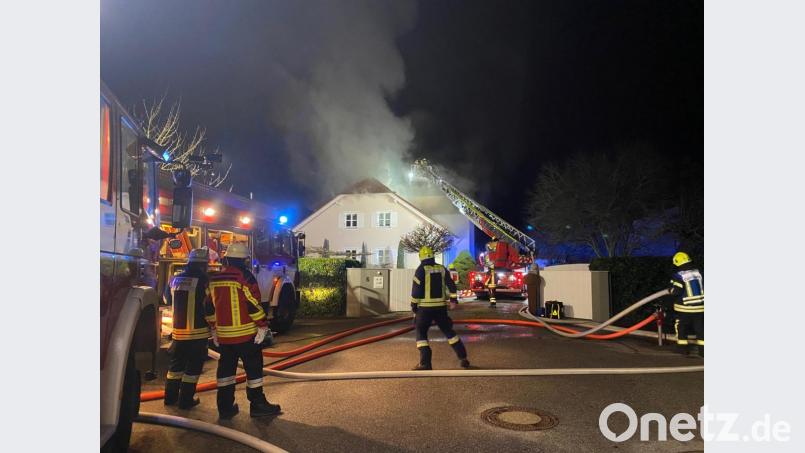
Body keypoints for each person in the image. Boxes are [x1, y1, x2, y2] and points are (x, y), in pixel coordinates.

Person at [204, 242, 281, 418]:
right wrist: (262, 325)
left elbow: (208, 306)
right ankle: (257, 405)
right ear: (245, 260)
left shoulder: (215, 279)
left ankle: (225, 408)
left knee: (226, 374)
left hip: (224, 337)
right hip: (246, 335)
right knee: (253, 371)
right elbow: (252, 303)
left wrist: (214, 328)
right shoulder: (245, 277)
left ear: (227, 258)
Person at [163, 248, 211, 409]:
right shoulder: (204, 279)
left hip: (178, 332)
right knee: (193, 367)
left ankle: (169, 398)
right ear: (204, 263)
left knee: (175, 366)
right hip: (197, 332)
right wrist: (215, 325)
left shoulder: (175, 279)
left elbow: (167, 298)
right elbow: (210, 304)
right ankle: (185, 400)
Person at [410, 246, 470, 370]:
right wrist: (453, 300)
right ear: (432, 256)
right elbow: (451, 284)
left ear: (420, 257)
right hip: (441, 308)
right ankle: (463, 357)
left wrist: (414, 307)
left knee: (421, 334)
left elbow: (416, 291)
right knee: (449, 332)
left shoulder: (421, 270)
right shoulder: (442, 268)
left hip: (424, 309)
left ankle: (425, 363)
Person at [668, 252, 704, 357]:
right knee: (701, 329)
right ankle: (703, 351)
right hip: (700, 307)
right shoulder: (699, 273)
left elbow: (676, 291)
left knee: (681, 327)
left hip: (684, 309)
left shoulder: (679, 276)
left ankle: (682, 349)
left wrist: (670, 290)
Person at [484, 239, 499, 307]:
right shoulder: (496, 253)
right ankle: (493, 303)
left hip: (492, 277)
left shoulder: (490, 255)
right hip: (494, 276)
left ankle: (493, 303)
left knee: (491, 291)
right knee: (492, 291)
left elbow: (488, 263)